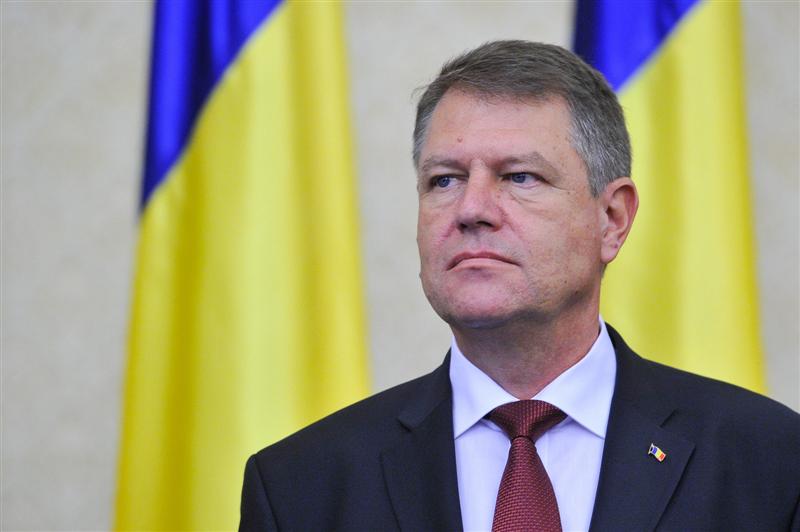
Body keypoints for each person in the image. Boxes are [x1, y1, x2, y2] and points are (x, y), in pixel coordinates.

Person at [239, 40, 800, 531]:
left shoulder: (770, 461)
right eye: (445, 180)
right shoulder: (302, 486)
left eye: (519, 176)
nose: (471, 209)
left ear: (612, 219)